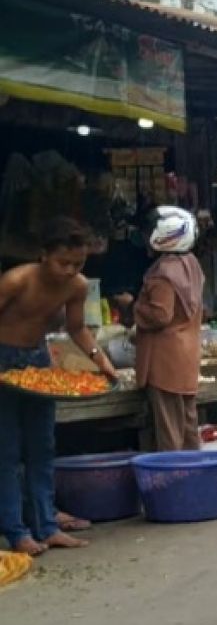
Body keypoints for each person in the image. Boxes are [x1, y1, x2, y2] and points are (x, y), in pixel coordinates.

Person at [0, 217, 118, 555]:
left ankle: (47, 526)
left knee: (43, 447)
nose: (69, 270)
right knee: (7, 451)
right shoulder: (16, 281)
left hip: (38, 360)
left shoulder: (77, 285)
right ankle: (16, 532)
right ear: (43, 255)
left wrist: (102, 361)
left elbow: (77, 328)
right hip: (3, 359)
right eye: (63, 262)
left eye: (77, 263)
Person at [134, 207, 206, 451]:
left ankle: (173, 478)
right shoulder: (191, 263)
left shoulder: (163, 273)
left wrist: (135, 308)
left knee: (168, 429)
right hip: (186, 355)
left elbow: (160, 315)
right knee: (187, 424)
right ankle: (194, 476)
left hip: (165, 360)